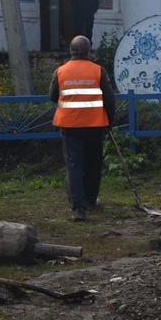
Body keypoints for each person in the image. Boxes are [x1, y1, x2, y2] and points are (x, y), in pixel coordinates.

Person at [49, 35, 116, 221]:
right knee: (93, 164)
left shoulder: (60, 71)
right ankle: (92, 200)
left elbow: (53, 96)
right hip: (95, 125)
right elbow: (109, 100)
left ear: (71, 50)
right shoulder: (98, 71)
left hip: (70, 126)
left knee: (74, 166)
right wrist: (110, 122)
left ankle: (79, 208)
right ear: (88, 51)